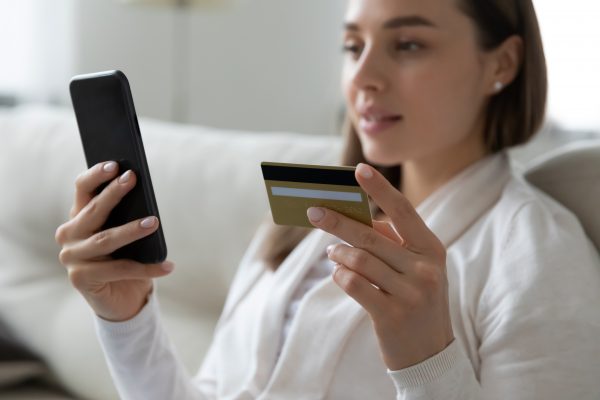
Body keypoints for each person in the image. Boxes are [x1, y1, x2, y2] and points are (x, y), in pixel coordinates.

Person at [55, 0, 600, 399]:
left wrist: (428, 363)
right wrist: (126, 321)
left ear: (502, 64)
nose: (362, 76)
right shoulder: (302, 217)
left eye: (408, 44)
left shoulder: (537, 255)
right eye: (352, 46)